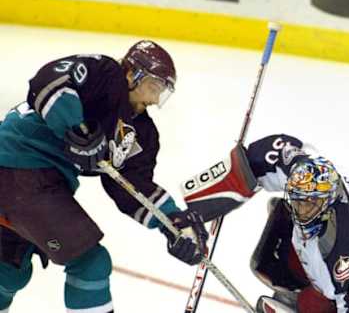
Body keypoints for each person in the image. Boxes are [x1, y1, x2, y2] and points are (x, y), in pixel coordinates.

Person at [0, 40, 208, 313]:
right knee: (91, 264)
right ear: (134, 74)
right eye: (154, 87)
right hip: (19, 166)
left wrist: (172, 222)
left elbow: (132, 187)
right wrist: (75, 127)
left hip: (32, 182)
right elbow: (51, 80)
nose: (156, 100)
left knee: (8, 269)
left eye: (162, 92)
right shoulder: (105, 74)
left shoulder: (141, 133)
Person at [183, 134, 349, 312]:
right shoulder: (302, 169)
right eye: (297, 200)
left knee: (315, 301)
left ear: (328, 202)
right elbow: (267, 153)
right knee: (281, 236)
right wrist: (192, 214)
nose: (300, 210)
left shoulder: (347, 258)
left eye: (309, 205)